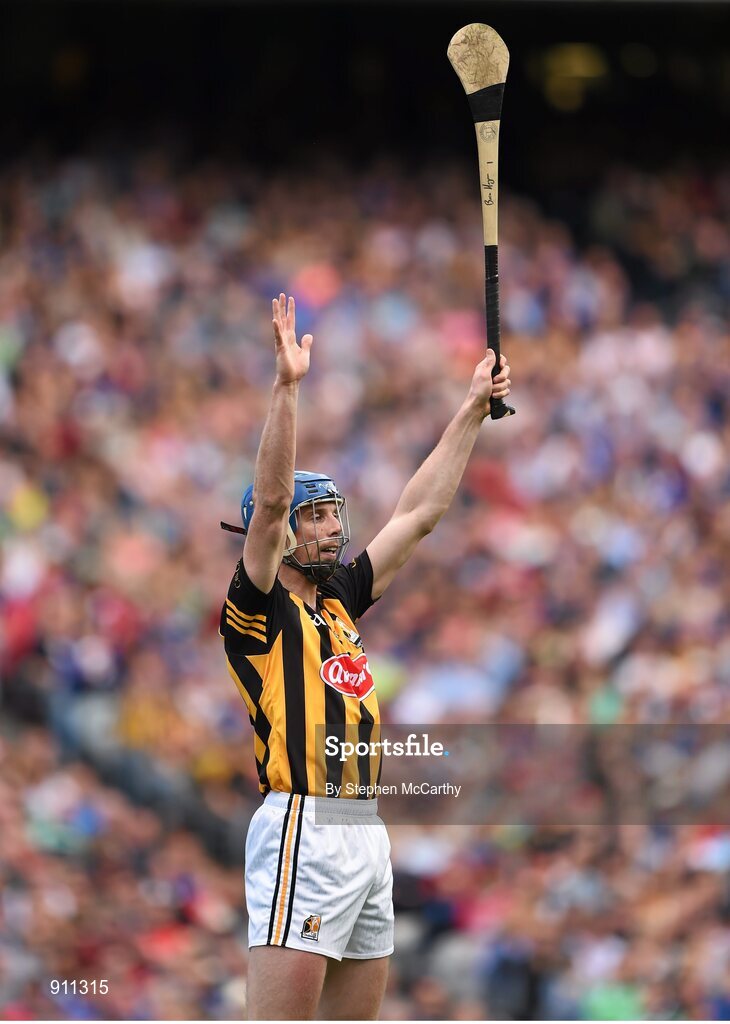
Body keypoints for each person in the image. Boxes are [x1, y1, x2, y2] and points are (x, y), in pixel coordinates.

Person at [219, 293, 511, 1020]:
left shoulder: (340, 599)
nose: (328, 527)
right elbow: (276, 496)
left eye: (329, 514)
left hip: (362, 829)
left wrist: (472, 407)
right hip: (303, 826)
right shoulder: (258, 612)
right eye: (313, 517)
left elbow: (419, 513)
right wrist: (287, 389)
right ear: (278, 533)